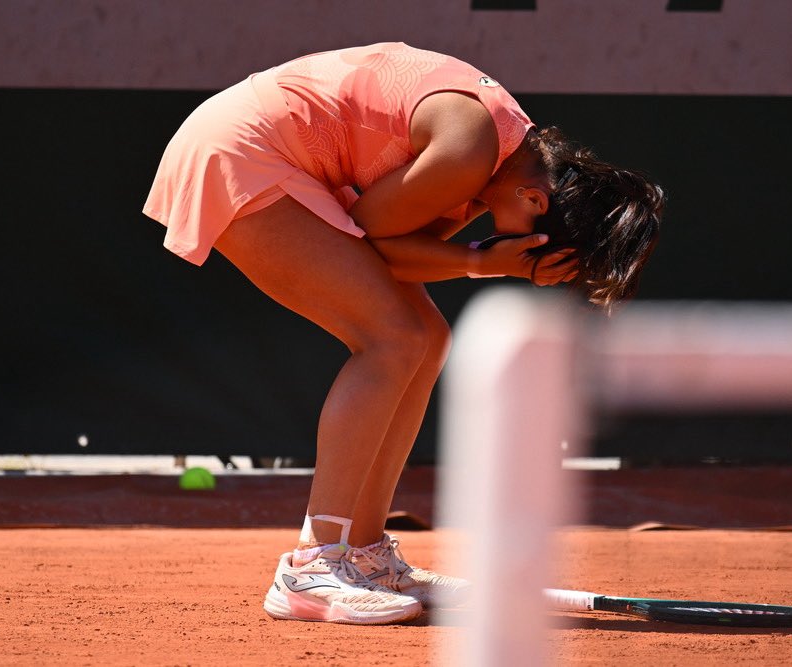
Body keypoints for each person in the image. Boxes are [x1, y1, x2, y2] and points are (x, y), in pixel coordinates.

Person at [143, 42, 664, 625]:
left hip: (271, 152)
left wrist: (482, 260)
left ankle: (364, 554)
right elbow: (372, 237)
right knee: (392, 339)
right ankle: (311, 567)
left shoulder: (501, 159)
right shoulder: (469, 153)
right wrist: (487, 262)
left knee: (426, 338)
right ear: (536, 198)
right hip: (241, 149)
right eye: (536, 245)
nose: (517, 247)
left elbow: (397, 250)